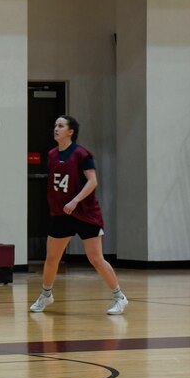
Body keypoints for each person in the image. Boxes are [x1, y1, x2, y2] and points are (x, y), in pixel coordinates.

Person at [29, 115, 128, 315]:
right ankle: (46, 295)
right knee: (52, 258)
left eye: (60, 125)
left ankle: (120, 297)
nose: (55, 128)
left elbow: (92, 181)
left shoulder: (82, 154)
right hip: (61, 214)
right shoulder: (52, 154)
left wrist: (75, 200)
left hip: (85, 213)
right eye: (55, 125)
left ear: (70, 131)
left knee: (95, 258)